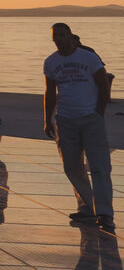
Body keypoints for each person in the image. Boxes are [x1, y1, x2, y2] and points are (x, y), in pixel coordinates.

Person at [44, 22, 113, 230]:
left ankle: (104, 213)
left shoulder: (88, 58)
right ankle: (86, 209)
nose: (59, 39)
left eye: (63, 35)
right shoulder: (51, 62)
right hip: (65, 120)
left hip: (90, 119)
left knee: (99, 166)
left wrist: (98, 113)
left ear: (71, 36)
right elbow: (50, 91)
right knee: (72, 167)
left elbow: (103, 85)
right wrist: (47, 118)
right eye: (55, 36)